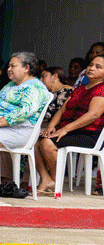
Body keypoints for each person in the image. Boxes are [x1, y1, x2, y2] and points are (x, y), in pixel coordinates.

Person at [35, 54, 104, 193]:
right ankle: (46, 179)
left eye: (98, 67)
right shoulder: (80, 89)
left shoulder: (101, 89)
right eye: (91, 65)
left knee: (48, 144)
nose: (92, 68)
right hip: (72, 131)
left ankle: (55, 182)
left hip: (90, 134)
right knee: (36, 141)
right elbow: (62, 110)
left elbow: (94, 115)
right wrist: (51, 126)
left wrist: (65, 129)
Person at [0, 52, 50, 175]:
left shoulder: (35, 87)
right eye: (9, 66)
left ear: (26, 68)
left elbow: (24, 111)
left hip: (19, 130)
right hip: (4, 129)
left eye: (13, 66)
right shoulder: (11, 84)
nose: (8, 69)